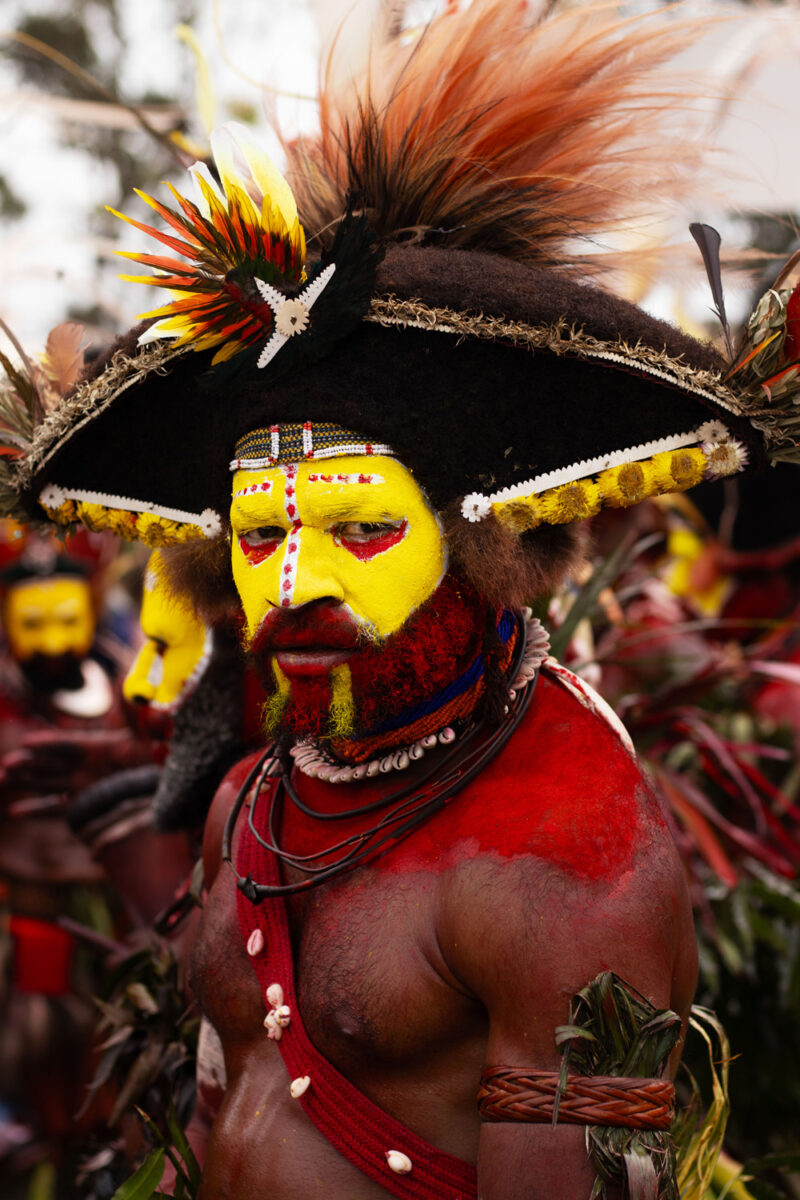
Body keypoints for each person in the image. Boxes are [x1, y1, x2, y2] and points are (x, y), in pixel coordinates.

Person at [6, 3, 799, 1195]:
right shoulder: (256, 800)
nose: (291, 585)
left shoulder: (571, 867)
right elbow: (234, 1086)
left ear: (479, 538)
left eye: (358, 528)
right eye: (263, 534)